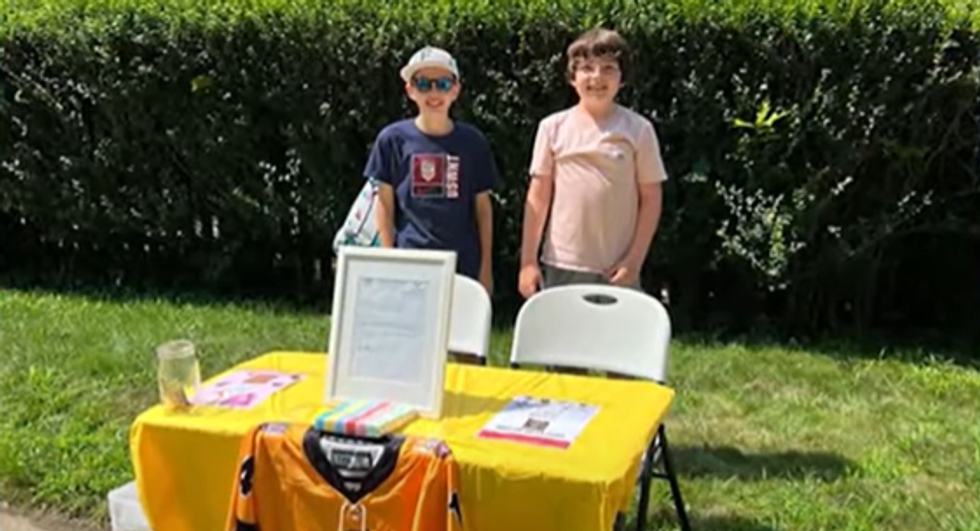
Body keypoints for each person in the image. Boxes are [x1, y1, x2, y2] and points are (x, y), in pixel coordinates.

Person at [518, 28, 667, 299]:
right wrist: (528, 262)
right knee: (564, 339)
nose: (597, 77)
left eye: (608, 68)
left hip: (617, 267)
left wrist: (634, 260)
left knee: (616, 339)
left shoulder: (638, 130)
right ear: (572, 78)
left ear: (622, 79)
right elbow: (537, 199)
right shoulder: (552, 128)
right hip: (563, 263)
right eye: (587, 68)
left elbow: (652, 198)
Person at [364, 46, 499, 296]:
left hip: (463, 267)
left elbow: (483, 208)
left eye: (443, 84)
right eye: (423, 83)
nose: (434, 92)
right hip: (410, 264)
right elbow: (384, 202)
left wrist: (486, 269)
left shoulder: (473, 142)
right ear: (410, 90)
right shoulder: (392, 140)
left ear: (456, 90)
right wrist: (387, 259)